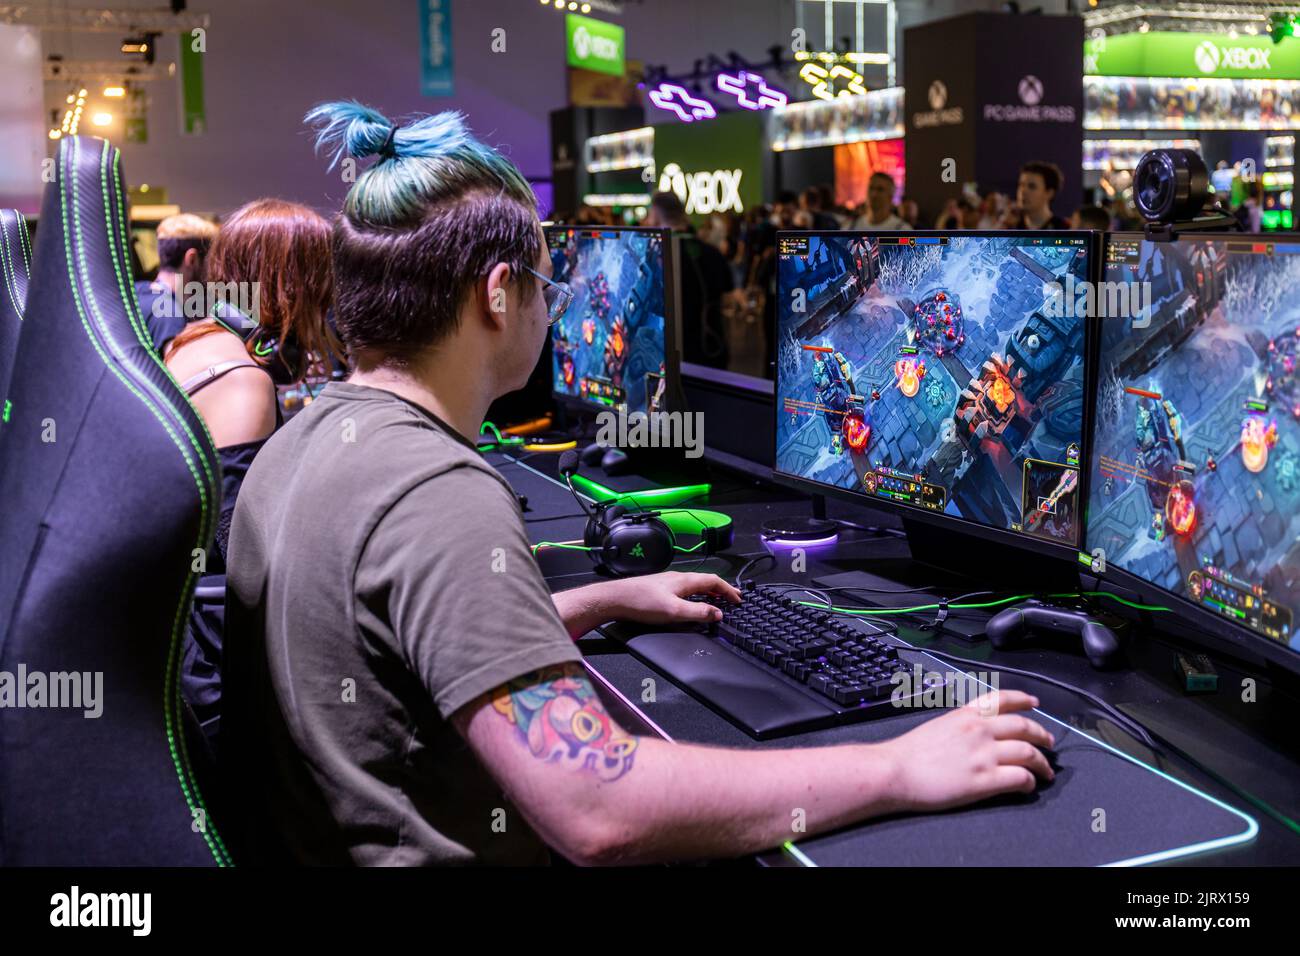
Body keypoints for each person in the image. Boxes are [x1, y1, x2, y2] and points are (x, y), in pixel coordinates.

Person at [220, 101, 1055, 866]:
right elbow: (598, 804)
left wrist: (596, 602)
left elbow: (390, 639)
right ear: (499, 296)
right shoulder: (439, 494)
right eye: (547, 286)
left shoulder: (299, 443)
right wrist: (899, 766)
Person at [163, 198, 339, 733]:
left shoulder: (194, 343)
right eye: (322, 288)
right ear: (291, 288)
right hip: (216, 675)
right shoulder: (242, 380)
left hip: (182, 645)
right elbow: (238, 552)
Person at [646, 191, 733, 368]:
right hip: (711, 353)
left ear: (655, 214)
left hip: (672, 360)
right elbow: (728, 297)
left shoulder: (655, 258)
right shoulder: (712, 253)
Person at [135, 213, 218, 353]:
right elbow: (179, 373)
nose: (213, 269)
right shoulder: (170, 315)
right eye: (210, 261)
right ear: (191, 259)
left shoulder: (135, 292)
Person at [1002, 161, 1070, 230]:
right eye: (1021, 185)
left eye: (1032, 186)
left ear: (1049, 193)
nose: (1023, 191)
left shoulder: (1064, 229)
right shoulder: (1011, 228)